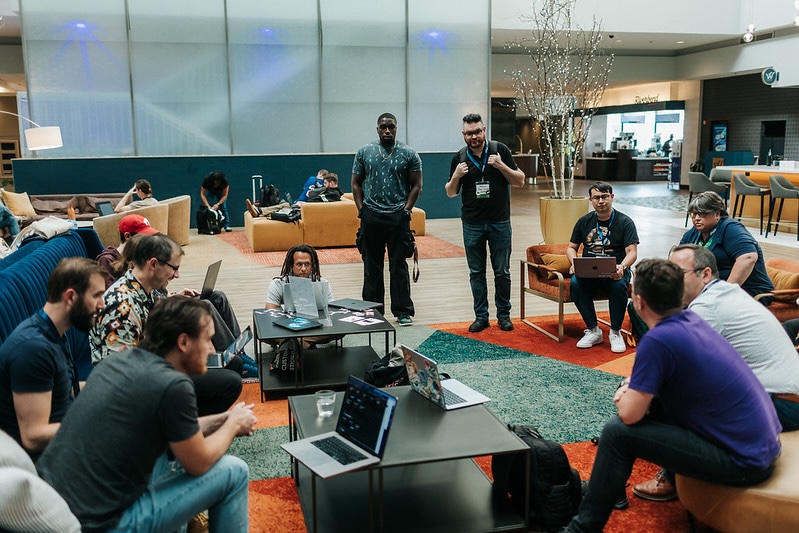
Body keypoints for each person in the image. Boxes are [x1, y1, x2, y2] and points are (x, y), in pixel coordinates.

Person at [562, 258, 781, 533]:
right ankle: (609, 487)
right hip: (761, 445)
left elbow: (628, 415)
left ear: (638, 302)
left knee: (617, 433)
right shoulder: (692, 320)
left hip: (744, 461)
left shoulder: (659, 339)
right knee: (650, 405)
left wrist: (624, 392)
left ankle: (581, 528)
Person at [38, 296, 255, 532]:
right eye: (208, 340)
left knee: (167, 449)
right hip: (103, 524)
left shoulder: (118, 362)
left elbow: (179, 430)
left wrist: (223, 419)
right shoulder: (173, 385)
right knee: (234, 471)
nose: (213, 349)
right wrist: (232, 426)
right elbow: (199, 463)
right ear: (183, 342)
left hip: (55, 508)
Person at [630, 244, 799, 502]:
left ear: (705, 274)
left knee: (674, 397)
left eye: (678, 272)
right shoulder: (727, 292)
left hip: (784, 405)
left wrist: (637, 386)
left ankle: (671, 478)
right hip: (779, 395)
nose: (670, 280)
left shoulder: (706, 308)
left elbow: (677, 369)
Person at [90, 233, 242, 415]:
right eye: (174, 268)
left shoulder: (144, 289)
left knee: (233, 363)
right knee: (230, 382)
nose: (177, 275)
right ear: (153, 264)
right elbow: (119, 374)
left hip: (153, 365)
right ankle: (174, 431)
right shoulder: (122, 306)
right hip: (138, 386)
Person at [0, 258, 106, 459]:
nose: (102, 304)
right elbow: (32, 436)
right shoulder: (33, 349)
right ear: (71, 297)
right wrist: (95, 422)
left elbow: (63, 389)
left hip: (64, 449)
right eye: (97, 295)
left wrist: (111, 386)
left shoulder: (55, 332)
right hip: (47, 467)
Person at [446, 113, 525, 333]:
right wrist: (456, 176)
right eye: (469, 133)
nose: (474, 136)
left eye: (477, 132)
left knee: (502, 272)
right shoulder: (459, 158)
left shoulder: (500, 150)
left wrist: (501, 166)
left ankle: (504, 316)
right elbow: (451, 192)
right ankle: (481, 316)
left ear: (484, 131)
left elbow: (520, 181)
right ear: (464, 135)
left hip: (500, 221)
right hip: (472, 224)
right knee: (476, 272)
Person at [352, 112, 422, 326]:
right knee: (371, 266)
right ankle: (373, 311)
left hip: (398, 217)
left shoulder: (409, 154)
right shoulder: (364, 152)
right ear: (377, 129)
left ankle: (403, 311)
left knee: (398, 266)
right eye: (383, 127)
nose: (387, 131)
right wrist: (362, 209)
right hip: (371, 216)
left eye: (391, 127)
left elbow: (417, 185)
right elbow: (356, 183)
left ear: (396, 128)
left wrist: (406, 210)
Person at [567, 182, 639, 353]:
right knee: (576, 284)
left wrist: (622, 266)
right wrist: (574, 263)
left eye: (605, 196)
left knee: (618, 285)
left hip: (615, 270)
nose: (601, 201)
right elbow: (571, 247)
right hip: (589, 271)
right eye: (596, 197)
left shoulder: (625, 222)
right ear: (590, 200)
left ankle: (615, 332)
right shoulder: (584, 222)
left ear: (612, 197)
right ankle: (593, 330)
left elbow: (632, 252)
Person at [679, 191, 773, 299]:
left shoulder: (730, 228)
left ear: (717, 214)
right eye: (694, 214)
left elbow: (748, 257)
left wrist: (724, 294)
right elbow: (678, 258)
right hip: (708, 291)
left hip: (747, 291)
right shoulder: (693, 233)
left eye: (702, 214)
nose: (697, 218)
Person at [265, 243, 341, 347]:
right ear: (291, 265)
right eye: (299, 264)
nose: (303, 269)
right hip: (288, 326)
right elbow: (270, 312)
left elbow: (332, 310)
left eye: (307, 264)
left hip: (315, 326)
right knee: (266, 332)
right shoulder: (278, 284)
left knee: (339, 331)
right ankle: (303, 343)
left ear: (312, 265)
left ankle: (295, 343)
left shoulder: (322, 283)